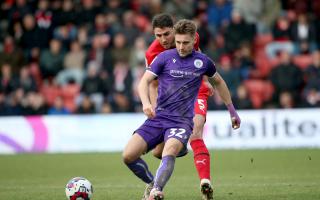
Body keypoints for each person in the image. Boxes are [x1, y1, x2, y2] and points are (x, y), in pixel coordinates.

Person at [122, 19, 241, 200]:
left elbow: (220, 82)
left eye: (185, 42)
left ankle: (157, 192)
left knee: (169, 151)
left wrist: (232, 111)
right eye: (178, 42)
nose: (181, 47)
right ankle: (152, 182)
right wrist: (146, 104)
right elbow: (145, 82)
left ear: (194, 40)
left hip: (181, 121)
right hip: (159, 117)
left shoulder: (203, 62)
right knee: (129, 155)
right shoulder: (161, 57)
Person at [145, 13, 214, 200]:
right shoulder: (152, 53)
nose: (163, 40)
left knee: (196, 133)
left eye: (166, 34)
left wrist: (206, 80)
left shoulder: (189, 37)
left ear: (174, 30)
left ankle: (203, 182)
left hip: (192, 92)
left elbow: (199, 60)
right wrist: (154, 108)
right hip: (167, 101)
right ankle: (176, 151)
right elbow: (151, 83)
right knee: (158, 152)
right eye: (158, 36)